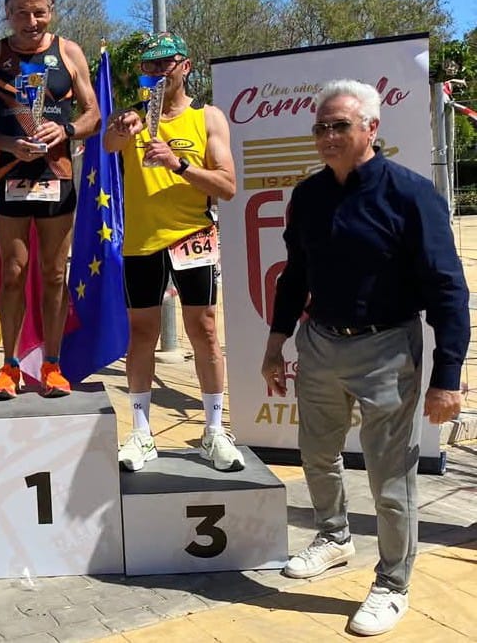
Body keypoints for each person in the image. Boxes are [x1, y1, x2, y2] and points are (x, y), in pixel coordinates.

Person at [260, 79, 469, 636]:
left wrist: (447, 377)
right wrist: (276, 343)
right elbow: (295, 275)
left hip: (387, 350)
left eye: (340, 126)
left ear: (371, 129)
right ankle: (333, 536)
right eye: (320, 127)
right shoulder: (308, 195)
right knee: (316, 454)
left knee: (390, 476)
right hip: (319, 344)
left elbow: (448, 290)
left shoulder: (411, 195)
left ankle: (393, 583)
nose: (327, 136)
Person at [102, 32, 243, 472]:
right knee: (141, 333)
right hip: (143, 239)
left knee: (204, 330)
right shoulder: (132, 117)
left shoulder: (207, 117)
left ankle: (214, 430)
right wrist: (119, 128)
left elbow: (228, 186)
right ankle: (141, 432)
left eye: (166, 63)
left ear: (185, 66)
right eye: (150, 65)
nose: (158, 71)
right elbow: (108, 146)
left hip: (192, 234)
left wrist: (178, 164)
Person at [0, 0, 101, 400]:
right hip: (10, 177)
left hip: (55, 178)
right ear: (7, 14)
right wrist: (10, 144)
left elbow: (94, 115)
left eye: (39, 12)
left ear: (52, 11)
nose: (31, 21)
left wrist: (66, 131)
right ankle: (9, 366)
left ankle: (52, 365)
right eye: (21, 13)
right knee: (12, 272)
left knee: (54, 274)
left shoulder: (69, 52)